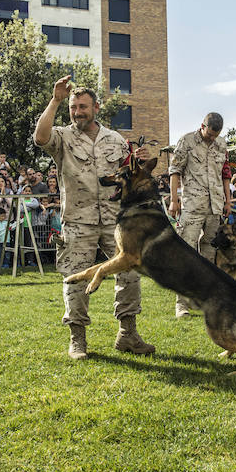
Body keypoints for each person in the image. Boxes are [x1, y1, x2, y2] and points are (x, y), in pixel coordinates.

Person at [34, 74, 154, 360]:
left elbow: (132, 175)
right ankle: (78, 339)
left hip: (116, 222)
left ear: (96, 108)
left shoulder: (115, 140)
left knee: (130, 274)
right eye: (74, 107)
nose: (77, 112)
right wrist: (56, 100)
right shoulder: (62, 136)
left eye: (83, 107)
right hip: (77, 221)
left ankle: (128, 334)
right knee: (74, 279)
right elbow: (40, 138)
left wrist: (143, 159)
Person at [168, 112, 232, 318]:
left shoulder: (222, 145)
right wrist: (173, 199)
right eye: (210, 134)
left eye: (216, 135)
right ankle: (182, 304)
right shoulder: (186, 141)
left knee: (210, 255)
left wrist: (228, 201)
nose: (212, 138)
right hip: (192, 205)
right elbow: (174, 171)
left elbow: (225, 175)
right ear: (202, 126)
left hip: (215, 206)